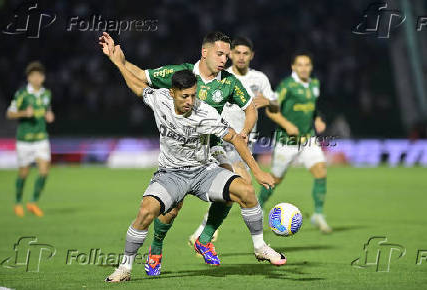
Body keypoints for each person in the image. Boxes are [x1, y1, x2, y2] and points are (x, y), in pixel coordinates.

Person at [102, 43, 285, 282]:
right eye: (185, 96)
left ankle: (259, 246)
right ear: (172, 93)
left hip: (203, 170)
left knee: (245, 190)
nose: (190, 101)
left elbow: (235, 139)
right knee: (148, 211)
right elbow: (137, 85)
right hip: (171, 173)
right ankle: (125, 268)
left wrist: (258, 171)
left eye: (193, 95)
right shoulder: (160, 99)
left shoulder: (206, 112)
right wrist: (118, 63)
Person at [188, 36, 279, 245]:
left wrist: (268, 101)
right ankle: (208, 234)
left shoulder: (260, 79)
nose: (240, 57)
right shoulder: (221, 77)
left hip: (247, 141)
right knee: (242, 182)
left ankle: (204, 232)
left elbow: (276, 106)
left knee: (232, 187)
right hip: (224, 140)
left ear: (251, 56)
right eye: (236, 53)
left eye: (245, 53)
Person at [259, 51, 332, 233]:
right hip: (286, 141)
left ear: (311, 67)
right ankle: (258, 206)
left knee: (321, 172)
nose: (304, 68)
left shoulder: (314, 84)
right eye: (300, 65)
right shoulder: (287, 86)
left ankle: (318, 214)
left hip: (308, 139)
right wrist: (287, 124)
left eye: (307, 65)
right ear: (293, 67)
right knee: (275, 179)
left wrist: (317, 119)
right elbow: (271, 110)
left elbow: (313, 108)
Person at [6, 61, 54, 217]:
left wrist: (49, 116)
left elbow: (48, 110)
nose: (36, 78)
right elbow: (9, 113)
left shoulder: (47, 94)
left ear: (43, 77)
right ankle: (18, 202)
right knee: (24, 173)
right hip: (24, 140)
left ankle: (33, 202)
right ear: (28, 78)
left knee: (44, 171)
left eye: (39, 75)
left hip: (41, 138)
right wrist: (23, 114)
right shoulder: (22, 94)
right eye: (33, 75)